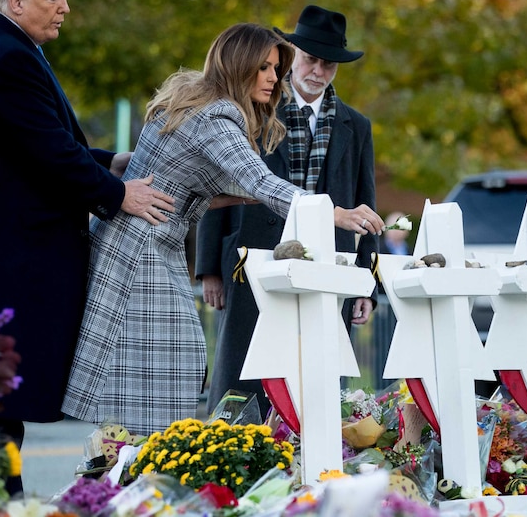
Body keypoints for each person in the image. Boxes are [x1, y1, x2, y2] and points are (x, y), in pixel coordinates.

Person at [62, 23, 383, 436]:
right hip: (140, 251)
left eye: (276, 68)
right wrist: (334, 214)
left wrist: (243, 196)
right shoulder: (215, 116)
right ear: (239, 64)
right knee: (165, 377)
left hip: (146, 244)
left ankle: (131, 477)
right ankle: (135, 480)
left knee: (150, 380)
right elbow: (260, 181)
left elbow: (199, 188)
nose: (274, 78)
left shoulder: (199, 102)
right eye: (265, 68)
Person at [0, 0, 174, 492]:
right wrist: (118, 193)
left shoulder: (4, 48)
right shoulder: (7, 58)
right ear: (15, 1)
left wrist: (108, 162)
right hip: (6, 263)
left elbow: (32, 146)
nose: (65, 8)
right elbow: (46, 153)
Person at [195, 5, 379, 418]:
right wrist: (209, 267)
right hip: (251, 255)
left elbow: (366, 204)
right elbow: (214, 183)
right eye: (311, 59)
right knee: (242, 366)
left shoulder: (356, 125)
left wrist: (367, 283)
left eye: (329, 64)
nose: (318, 71)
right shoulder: (252, 108)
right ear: (292, 54)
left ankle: (312, 457)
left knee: (318, 368)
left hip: (329, 262)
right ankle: (236, 446)